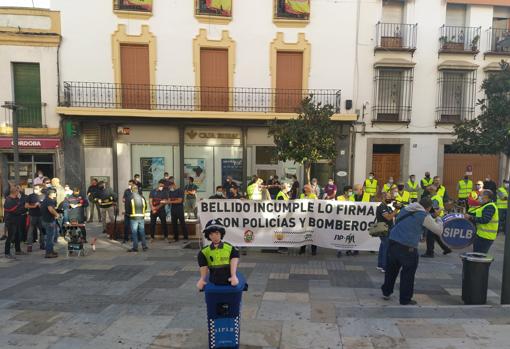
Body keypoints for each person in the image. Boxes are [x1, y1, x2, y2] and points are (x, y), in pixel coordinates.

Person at [381, 197, 444, 305]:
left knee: (391, 270)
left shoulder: (406, 209)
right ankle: (405, 299)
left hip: (393, 241)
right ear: (428, 208)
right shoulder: (424, 216)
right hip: (407, 247)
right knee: (408, 273)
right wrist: (438, 218)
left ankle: (386, 292)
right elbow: (438, 231)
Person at [196, 220, 240, 290]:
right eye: (211, 234)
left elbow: (234, 259)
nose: (214, 237)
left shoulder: (230, 248)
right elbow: (203, 266)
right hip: (213, 281)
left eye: (217, 233)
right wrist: (202, 279)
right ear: (208, 235)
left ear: (221, 234)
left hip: (228, 280)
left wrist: (233, 276)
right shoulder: (204, 252)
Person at [421, 185, 452, 258]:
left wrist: (429, 217)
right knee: (435, 235)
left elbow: (435, 212)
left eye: (429, 190)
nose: (427, 191)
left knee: (430, 236)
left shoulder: (434, 199)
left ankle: (430, 252)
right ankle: (446, 249)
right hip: (437, 218)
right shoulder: (437, 197)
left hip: (434, 219)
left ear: (432, 190)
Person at [376, 192, 398, 272]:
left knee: (383, 246)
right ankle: (385, 267)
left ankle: (380, 264)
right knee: (386, 248)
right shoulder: (381, 207)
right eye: (388, 197)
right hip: (383, 228)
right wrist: (396, 209)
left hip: (386, 228)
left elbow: (394, 215)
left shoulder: (387, 207)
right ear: (383, 198)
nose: (390, 199)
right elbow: (388, 217)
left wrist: (397, 207)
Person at [3, 186, 26, 258]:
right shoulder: (8, 200)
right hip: (11, 221)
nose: (19, 193)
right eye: (18, 191)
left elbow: (20, 207)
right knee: (10, 237)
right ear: (15, 192)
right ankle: (7, 253)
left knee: (17, 236)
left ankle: (18, 250)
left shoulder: (16, 199)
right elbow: (12, 210)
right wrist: (21, 209)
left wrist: (23, 209)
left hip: (17, 220)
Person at [126, 185, 148, 252]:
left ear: (132, 190)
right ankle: (144, 246)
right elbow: (146, 206)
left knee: (134, 233)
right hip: (141, 217)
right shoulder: (142, 197)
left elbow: (127, 208)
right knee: (142, 232)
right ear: (137, 190)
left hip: (134, 217)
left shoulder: (130, 197)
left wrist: (128, 214)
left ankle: (135, 248)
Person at [40, 189, 60, 258]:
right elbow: (50, 209)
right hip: (49, 221)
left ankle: (51, 251)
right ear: (51, 194)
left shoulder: (46, 200)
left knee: (50, 236)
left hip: (45, 220)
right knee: (50, 237)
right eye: (54, 193)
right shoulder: (49, 200)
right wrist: (56, 214)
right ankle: (48, 253)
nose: (55, 194)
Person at [299, 184, 318, 256]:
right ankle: (302, 249)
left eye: (306, 188)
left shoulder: (313, 196)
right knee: (303, 233)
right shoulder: (302, 196)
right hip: (303, 218)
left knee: (313, 234)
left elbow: (317, 204)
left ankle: (314, 250)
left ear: (309, 189)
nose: (305, 190)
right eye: (304, 188)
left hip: (312, 217)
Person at [25, 184, 45, 252]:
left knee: (42, 230)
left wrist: (40, 206)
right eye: (34, 188)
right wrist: (34, 206)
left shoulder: (44, 196)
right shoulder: (30, 196)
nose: (35, 189)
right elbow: (26, 205)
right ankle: (29, 246)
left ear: (40, 188)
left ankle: (42, 244)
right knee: (30, 230)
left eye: (36, 188)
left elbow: (46, 207)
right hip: (32, 215)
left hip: (41, 216)